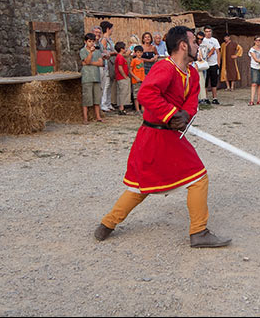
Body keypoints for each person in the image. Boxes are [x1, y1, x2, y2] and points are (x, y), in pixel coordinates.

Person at [94, 26, 231, 248]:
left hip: (171, 137)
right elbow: (147, 93)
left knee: (148, 185)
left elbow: (191, 100)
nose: (198, 46)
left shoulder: (192, 73)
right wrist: (170, 114)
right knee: (156, 184)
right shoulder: (164, 68)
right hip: (154, 135)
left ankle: (107, 224)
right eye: (194, 43)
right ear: (183, 45)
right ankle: (198, 232)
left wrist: (185, 115)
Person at [80, 32, 104, 124]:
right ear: (85, 42)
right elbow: (87, 60)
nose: (91, 43)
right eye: (89, 41)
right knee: (87, 98)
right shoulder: (83, 51)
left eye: (93, 41)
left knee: (97, 98)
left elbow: (100, 63)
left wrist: (88, 63)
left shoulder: (97, 51)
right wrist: (90, 53)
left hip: (96, 77)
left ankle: (98, 116)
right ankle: (85, 118)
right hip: (87, 77)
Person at [99, 21, 116, 113]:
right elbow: (105, 52)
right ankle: (103, 103)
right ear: (108, 29)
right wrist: (113, 53)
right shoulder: (104, 40)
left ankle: (108, 103)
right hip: (107, 64)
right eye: (111, 29)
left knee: (109, 84)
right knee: (106, 85)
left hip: (111, 64)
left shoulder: (109, 39)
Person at [201, 26, 221, 104]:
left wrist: (218, 63)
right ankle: (205, 97)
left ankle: (214, 97)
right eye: (206, 31)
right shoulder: (203, 40)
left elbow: (218, 52)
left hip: (214, 63)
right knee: (205, 82)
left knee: (214, 81)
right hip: (205, 64)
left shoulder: (214, 40)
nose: (208, 33)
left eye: (209, 31)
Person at [113, 42, 133, 116]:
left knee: (120, 93)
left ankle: (121, 108)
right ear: (122, 49)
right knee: (123, 93)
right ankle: (122, 108)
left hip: (120, 77)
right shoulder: (120, 57)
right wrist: (125, 76)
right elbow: (120, 67)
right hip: (122, 77)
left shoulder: (119, 56)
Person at [248, 36, 260, 106]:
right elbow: (255, 59)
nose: (258, 42)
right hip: (254, 67)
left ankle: (258, 100)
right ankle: (252, 100)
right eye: (257, 40)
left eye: (259, 40)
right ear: (254, 41)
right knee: (254, 83)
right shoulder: (252, 50)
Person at [130, 45, 146, 114]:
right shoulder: (134, 61)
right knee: (136, 96)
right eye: (138, 52)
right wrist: (135, 77)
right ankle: (137, 109)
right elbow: (130, 70)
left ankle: (143, 108)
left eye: (141, 52)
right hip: (136, 81)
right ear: (135, 53)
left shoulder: (142, 60)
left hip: (142, 80)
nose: (139, 54)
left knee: (142, 95)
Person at [196, 32, 210, 105]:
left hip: (200, 66)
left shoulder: (202, 46)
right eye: (198, 38)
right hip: (194, 66)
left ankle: (202, 98)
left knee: (202, 82)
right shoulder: (193, 46)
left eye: (201, 39)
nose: (199, 40)